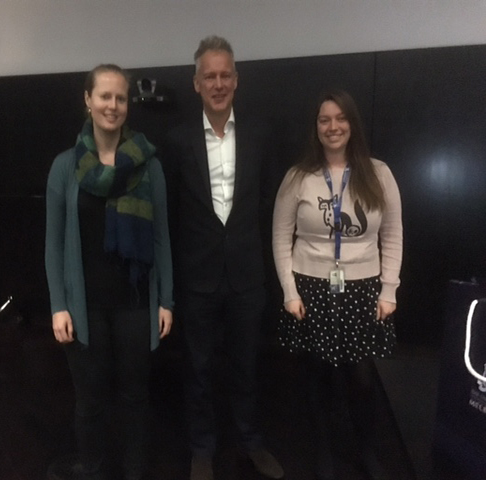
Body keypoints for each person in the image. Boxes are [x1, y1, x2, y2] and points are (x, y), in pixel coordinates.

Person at [162, 36, 284, 480]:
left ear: (237, 79)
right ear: (196, 84)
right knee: (197, 368)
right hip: (197, 278)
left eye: (225, 75)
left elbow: (269, 198)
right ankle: (202, 450)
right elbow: (171, 211)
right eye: (209, 76)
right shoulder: (175, 140)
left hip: (248, 275)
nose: (218, 83)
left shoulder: (260, 133)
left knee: (248, 364)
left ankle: (251, 442)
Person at [45, 64, 173, 480]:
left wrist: (166, 300)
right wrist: (58, 305)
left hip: (135, 303)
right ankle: (96, 471)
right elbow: (53, 244)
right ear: (88, 100)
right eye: (104, 96)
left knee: (136, 399)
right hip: (86, 308)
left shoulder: (147, 165)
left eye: (120, 98)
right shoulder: (65, 168)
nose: (112, 105)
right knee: (90, 401)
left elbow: (161, 239)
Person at [272, 89, 403, 480]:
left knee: (360, 378)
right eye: (324, 119)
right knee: (318, 376)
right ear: (316, 127)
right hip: (310, 287)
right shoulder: (298, 177)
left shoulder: (378, 173)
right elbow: (281, 237)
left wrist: (389, 289)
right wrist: (289, 291)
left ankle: (365, 451)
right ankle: (324, 454)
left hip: (364, 287)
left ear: (352, 124)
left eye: (340, 118)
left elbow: (392, 234)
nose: (333, 127)